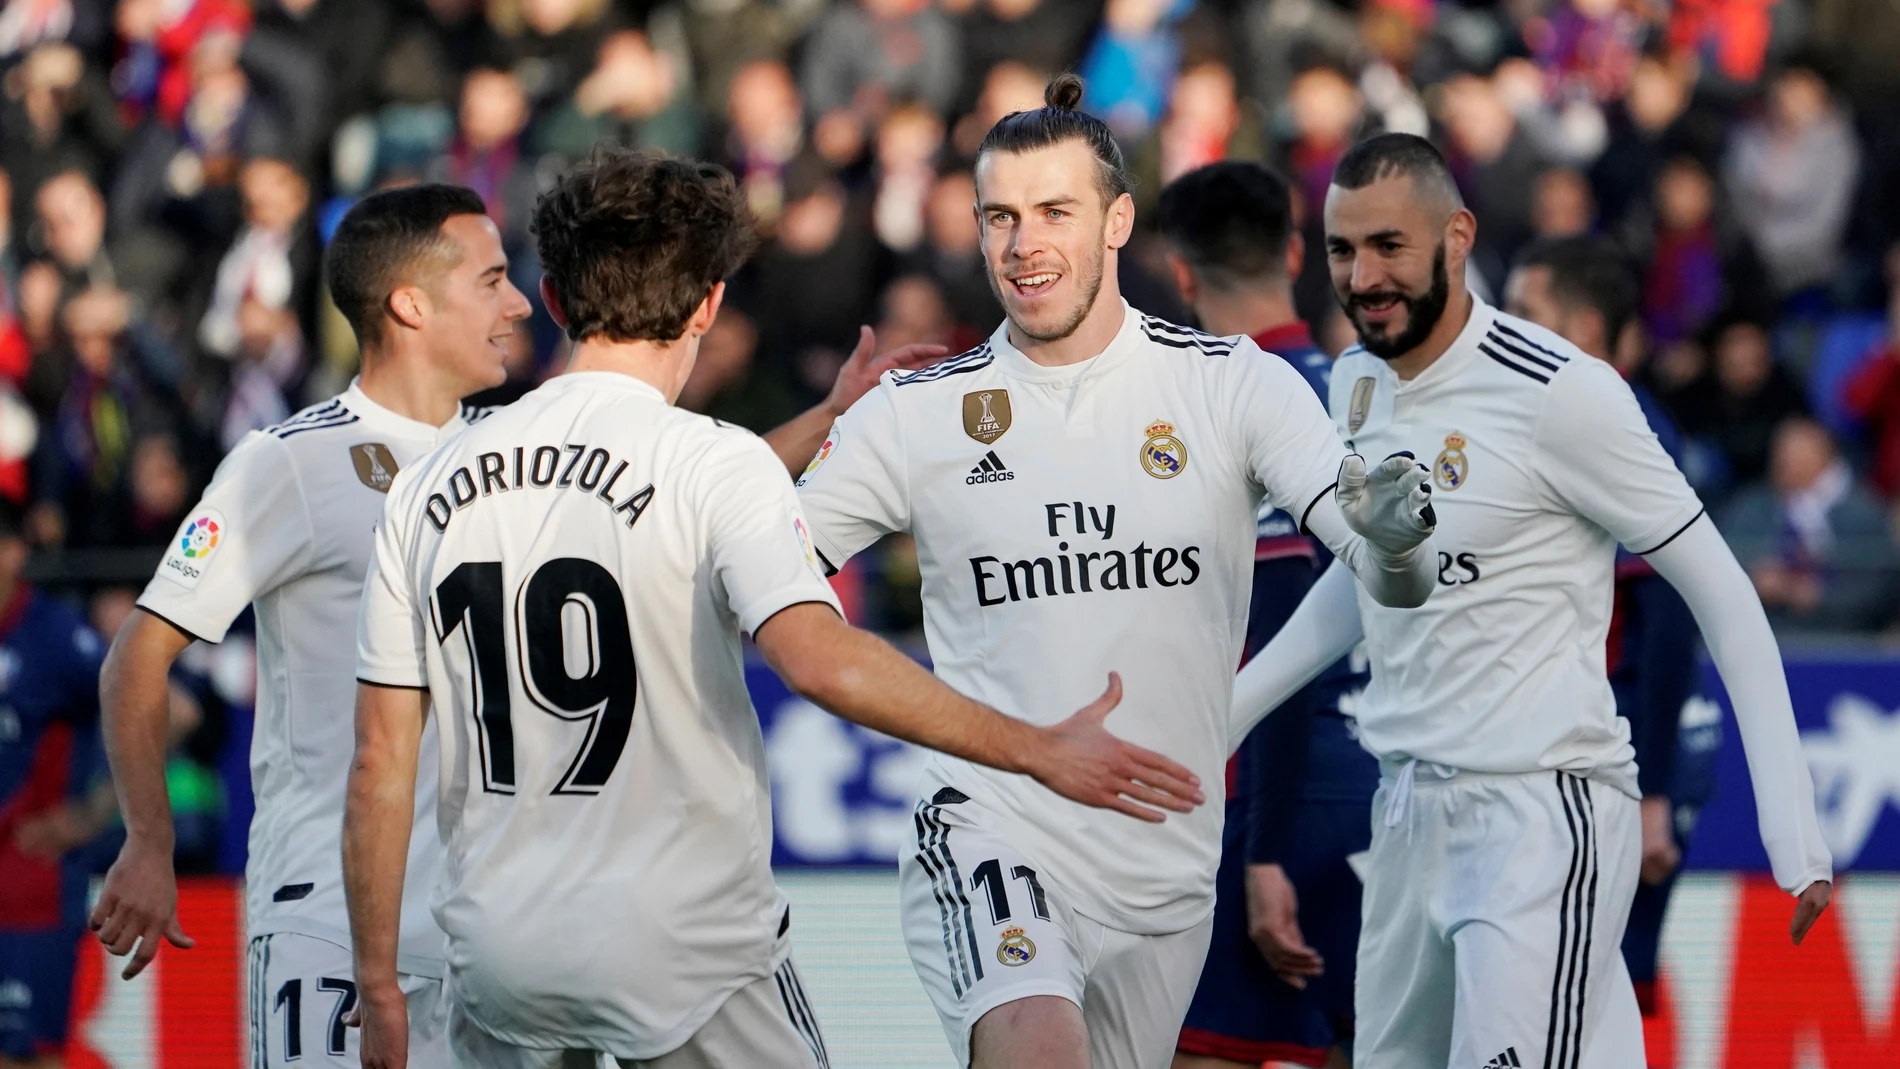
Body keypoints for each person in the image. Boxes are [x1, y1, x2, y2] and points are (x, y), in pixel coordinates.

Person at [341, 148, 1203, 1069]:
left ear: (553, 300)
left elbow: (380, 761)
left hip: (499, 958)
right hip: (685, 953)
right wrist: (1036, 748)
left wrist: (380, 979)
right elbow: (817, 658)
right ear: (710, 303)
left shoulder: (430, 483)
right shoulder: (712, 460)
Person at [784, 75, 1439, 1069]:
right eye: (1000, 216)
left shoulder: (1230, 384)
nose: (1023, 244)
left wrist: (1396, 540)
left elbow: (1376, 572)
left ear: (1118, 221)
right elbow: (761, 575)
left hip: (1165, 873)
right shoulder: (916, 411)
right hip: (991, 830)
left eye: (1054, 212)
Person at [1232, 133, 1834, 1069]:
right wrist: (1218, 719)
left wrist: (1791, 828)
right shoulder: (1352, 384)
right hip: (1405, 812)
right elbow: (1372, 585)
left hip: (1539, 810)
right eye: (1345, 249)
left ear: (1458, 237)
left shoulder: (1562, 392)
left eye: (1390, 245)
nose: (1364, 274)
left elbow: (1721, 592)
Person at [86, 183, 536, 1069]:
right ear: (410, 304)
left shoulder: (516, 451)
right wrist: (148, 838)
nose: (518, 303)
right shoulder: (289, 461)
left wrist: (830, 422)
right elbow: (139, 655)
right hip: (329, 923)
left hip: (490, 930)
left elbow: (690, 481)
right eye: (492, 280)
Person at [1153, 161, 1374, 1069]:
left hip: (1273, 795)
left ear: (1182, 275)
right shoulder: (1369, 391)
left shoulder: (1226, 401)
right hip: (1387, 783)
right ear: (1295, 252)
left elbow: (1282, 628)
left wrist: (1266, 845)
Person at [1504, 235, 1719, 1053]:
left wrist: (1655, 792)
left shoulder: (1620, 430)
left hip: (1631, 756)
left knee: (1584, 1001)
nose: (1505, 329)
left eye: (1525, 312)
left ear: (1584, 325)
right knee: (1583, 1001)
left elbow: (1667, 617)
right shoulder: (1585, 419)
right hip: (1623, 751)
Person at [0, 500, 112, 1069]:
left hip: (32, 894)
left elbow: (162, 707)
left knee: (29, 1060)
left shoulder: (54, 634)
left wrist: (94, 813)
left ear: (15, 552)